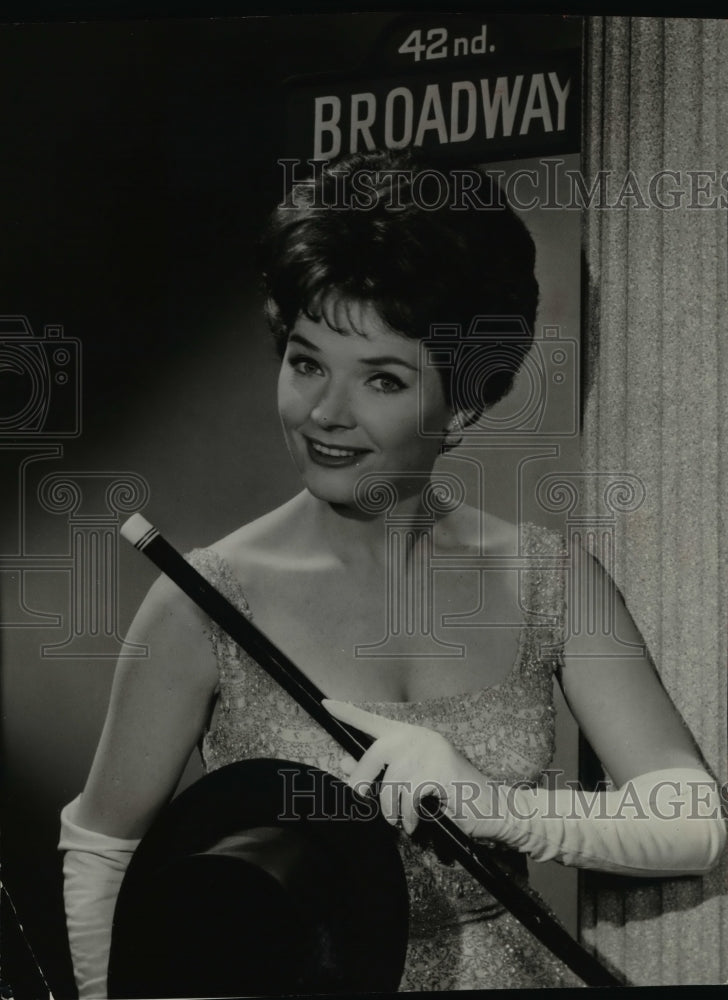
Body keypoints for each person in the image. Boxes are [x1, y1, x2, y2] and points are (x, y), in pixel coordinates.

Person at [59, 148, 726, 997]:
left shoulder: (549, 577)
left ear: (467, 402)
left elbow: (693, 823)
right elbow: (101, 856)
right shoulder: (200, 602)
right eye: (305, 362)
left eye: (381, 377)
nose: (324, 414)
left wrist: (501, 808)